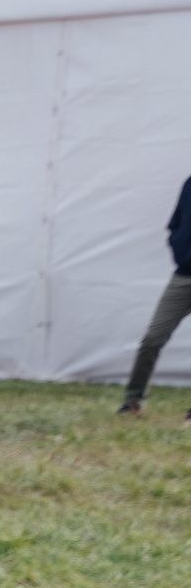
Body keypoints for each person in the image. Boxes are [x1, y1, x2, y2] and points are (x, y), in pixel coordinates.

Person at [119, 173, 191, 415]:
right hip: (184, 276)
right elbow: (175, 224)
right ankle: (133, 401)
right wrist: (180, 250)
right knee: (152, 338)